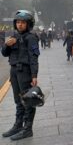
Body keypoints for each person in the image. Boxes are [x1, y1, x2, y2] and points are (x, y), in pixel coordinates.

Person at [1, 10, 40, 140]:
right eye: (18, 22)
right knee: (18, 101)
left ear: (29, 24)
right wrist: (6, 45)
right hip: (14, 72)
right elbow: (5, 54)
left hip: (25, 72)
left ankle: (27, 128)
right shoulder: (14, 37)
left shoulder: (31, 38)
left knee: (27, 100)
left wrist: (34, 75)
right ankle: (18, 125)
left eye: (23, 22)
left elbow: (34, 57)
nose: (20, 25)